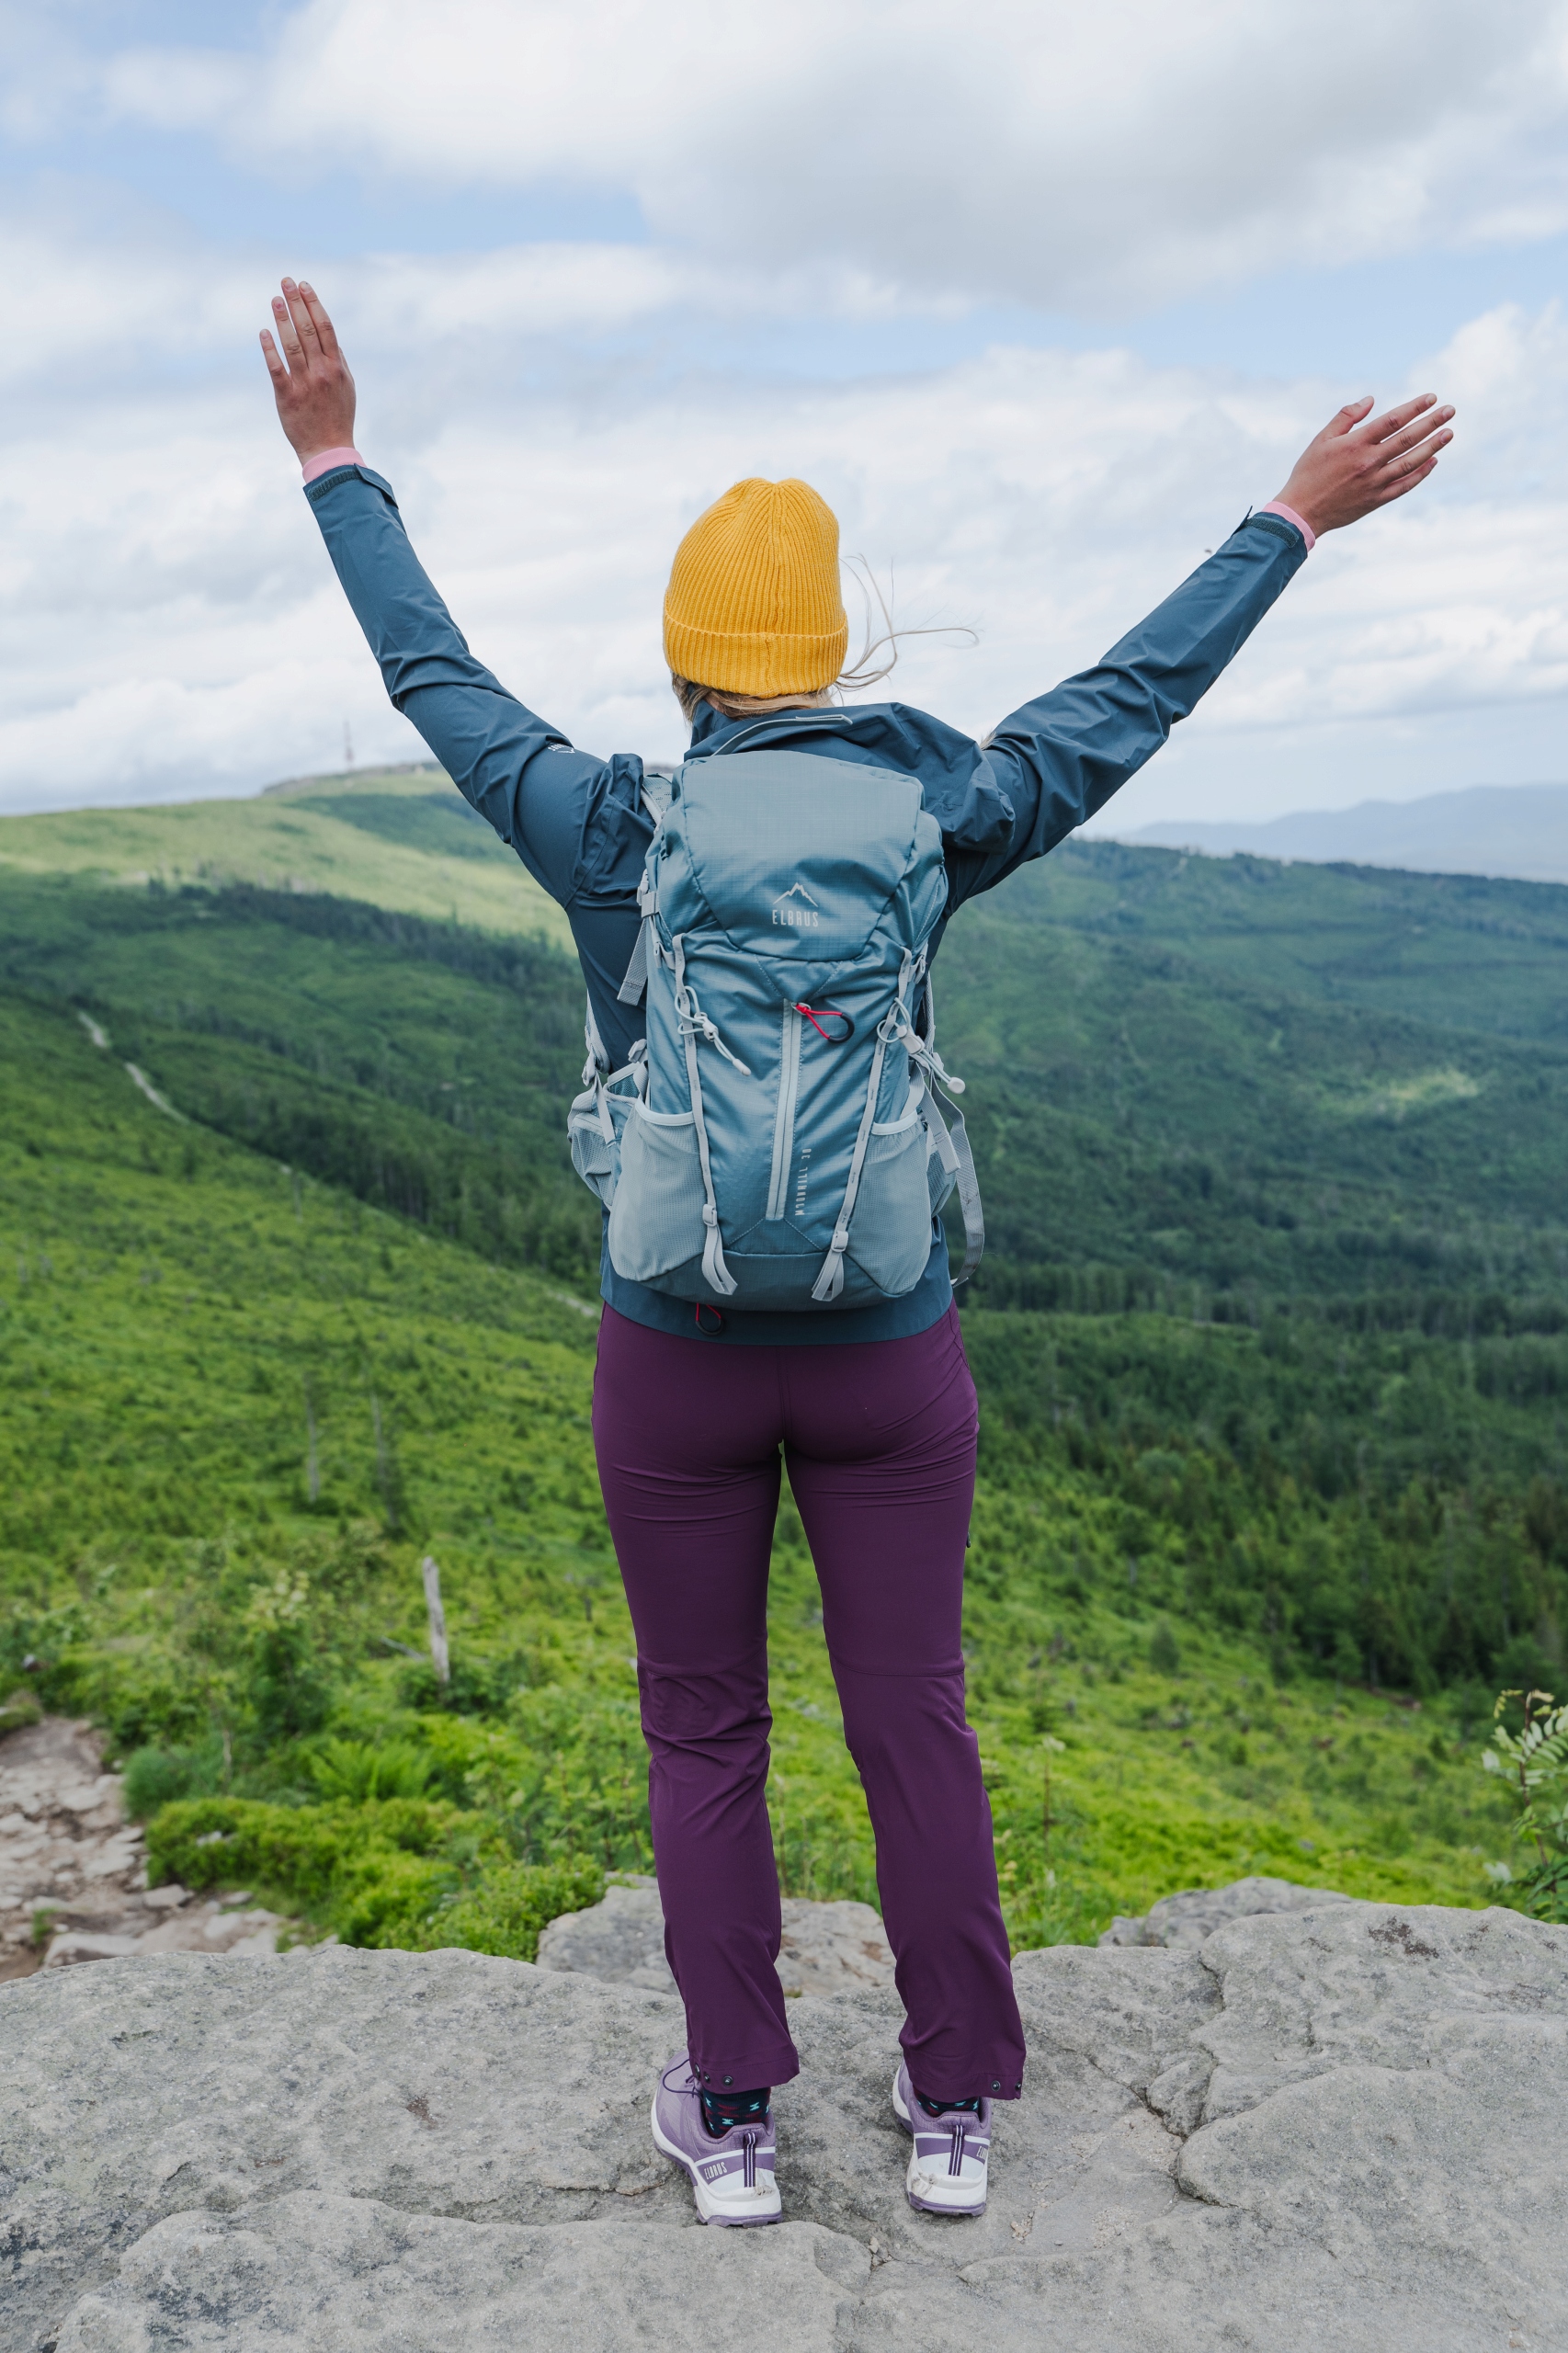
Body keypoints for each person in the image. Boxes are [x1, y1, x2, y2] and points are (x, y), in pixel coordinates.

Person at [261, 278, 1452, 2226]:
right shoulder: (931, 809)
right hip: (891, 1344)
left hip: (672, 1349)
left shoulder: (609, 825)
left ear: (684, 661)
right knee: (913, 1712)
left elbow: (432, 676)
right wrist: (1291, 517)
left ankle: (731, 2118)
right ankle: (957, 2104)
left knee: (701, 1722)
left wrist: (335, 460)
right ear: (830, 651)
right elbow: (1119, 705)